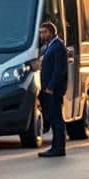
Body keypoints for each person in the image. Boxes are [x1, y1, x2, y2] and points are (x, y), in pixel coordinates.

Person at [37, 21, 68, 157]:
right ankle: (55, 147)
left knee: (57, 119)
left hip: (53, 90)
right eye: (41, 32)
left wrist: (51, 86)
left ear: (51, 32)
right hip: (48, 90)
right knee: (53, 118)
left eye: (44, 32)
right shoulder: (49, 46)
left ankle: (59, 148)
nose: (42, 35)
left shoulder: (58, 46)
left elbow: (59, 70)